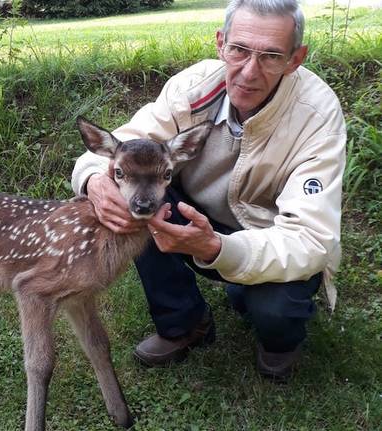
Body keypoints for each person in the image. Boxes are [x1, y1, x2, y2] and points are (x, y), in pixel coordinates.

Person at [71, 0, 346, 381]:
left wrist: (217, 248)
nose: (249, 72)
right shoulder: (193, 88)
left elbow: (311, 238)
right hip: (194, 215)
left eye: (270, 56)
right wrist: (94, 181)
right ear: (221, 43)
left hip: (269, 232)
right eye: (239, 50)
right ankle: (184, 322)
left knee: (275, 310)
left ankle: (278, 337)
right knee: (139, 202)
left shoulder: (317, 118)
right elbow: (128, 141)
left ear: (295, 59)